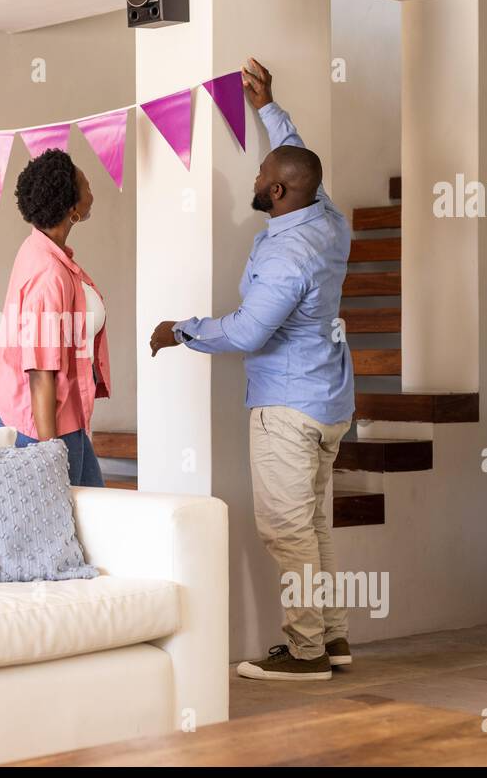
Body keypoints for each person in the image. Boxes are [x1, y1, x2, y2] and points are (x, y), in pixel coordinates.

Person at [150, 58, 355, 681]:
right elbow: (297, 157)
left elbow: (246, 331)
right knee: (313, 526)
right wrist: (269, 108)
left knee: (288, 533)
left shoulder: (288, 256)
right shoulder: (326, 219)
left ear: (277, 194)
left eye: (264, 172)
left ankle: (306, 652)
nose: (259, 171)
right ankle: (334, 638)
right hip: (329, 402)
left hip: (288, 409)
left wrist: (181, 330)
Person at [0, 149, 109, 486]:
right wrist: (49, 457)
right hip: (43, 426)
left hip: (62, 417)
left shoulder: (41, 249)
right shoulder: (49, 274)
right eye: (86, 184)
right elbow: (41, 372)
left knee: (93, 518)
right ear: (73, 210)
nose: (92, 190)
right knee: (71, 526)